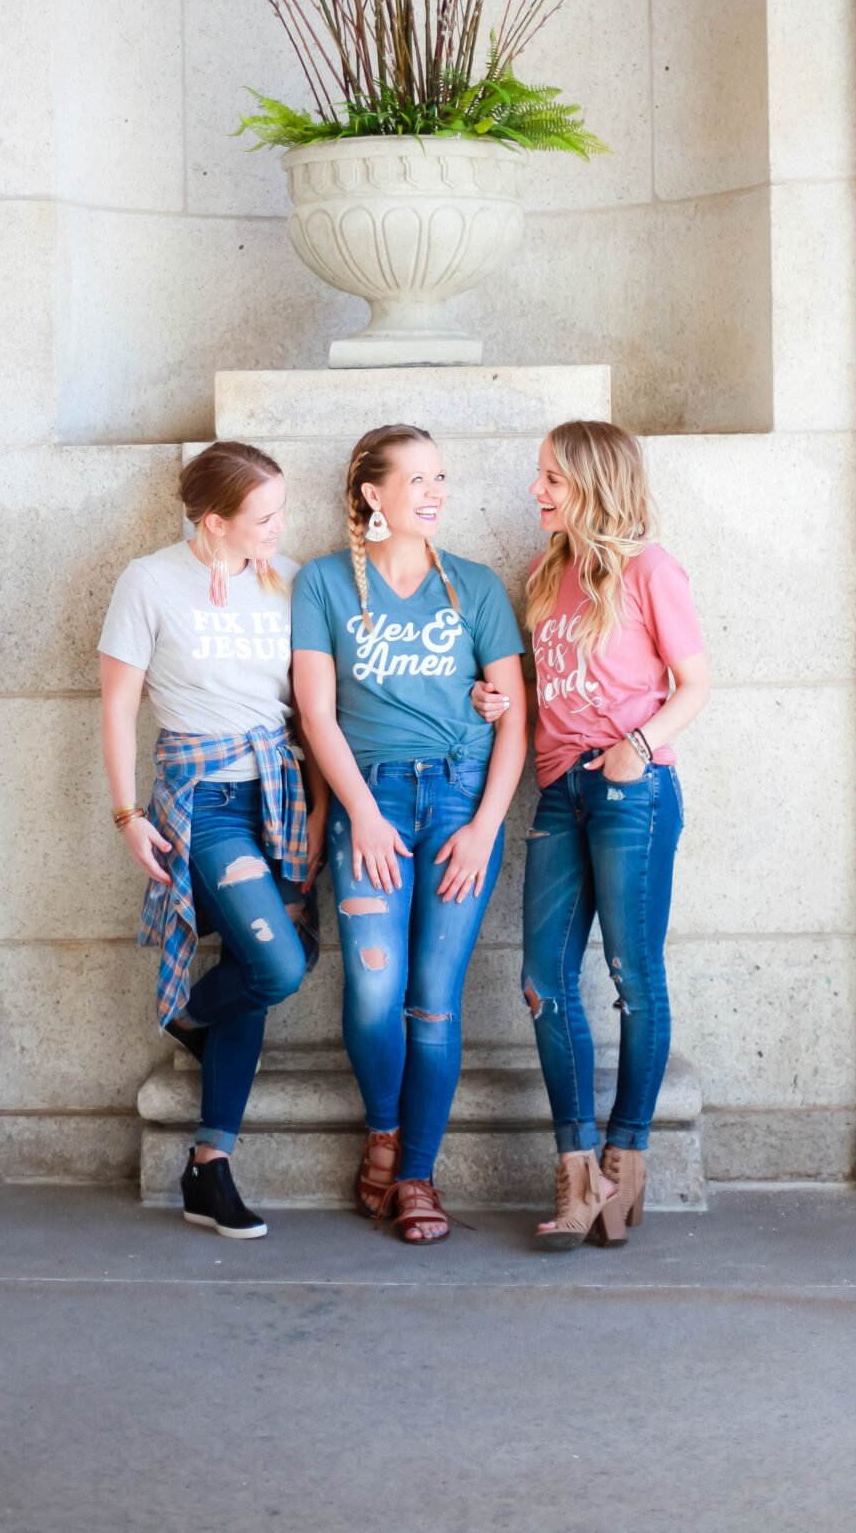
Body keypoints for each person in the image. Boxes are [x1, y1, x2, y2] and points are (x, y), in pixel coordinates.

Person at [292, 425, 527, 1244]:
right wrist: (357, 810)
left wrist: (483, 827)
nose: (433, 492)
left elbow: (513, 720)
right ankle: (383, 1131)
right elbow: (316, 713)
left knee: (432, 1003)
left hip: (462, 801)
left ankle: (418, 1176)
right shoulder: (322, 584)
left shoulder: (474, 586)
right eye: (416, 478)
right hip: (373, 801)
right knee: (372, 990)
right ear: (371, 494)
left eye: (439, 478)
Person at [477, 420, 708, 1249]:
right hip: (556, 794)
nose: (535, 492)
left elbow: (694, 682)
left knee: (632, 976)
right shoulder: (546, 573)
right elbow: (554, 686)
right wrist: (500, 706)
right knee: (542, 980)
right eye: (539, 477)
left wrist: (634, 749)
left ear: (593, 484)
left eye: (551, 479)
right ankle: (575, 1169)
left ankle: (625, 1160)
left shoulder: (649, 569)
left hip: (632, 792)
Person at [99, 441, 326, 1241]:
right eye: (264, 517)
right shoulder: (149, 582)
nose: (279, 527)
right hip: (206, 805)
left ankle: (207, 1169)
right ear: (214, 518)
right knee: (276, 966)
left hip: (279, 799)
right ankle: (186, 1015)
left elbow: (316, 700)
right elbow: (120, 708)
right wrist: (129, 815)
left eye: (281, 511)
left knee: (252, 969)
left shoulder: (287, 579)